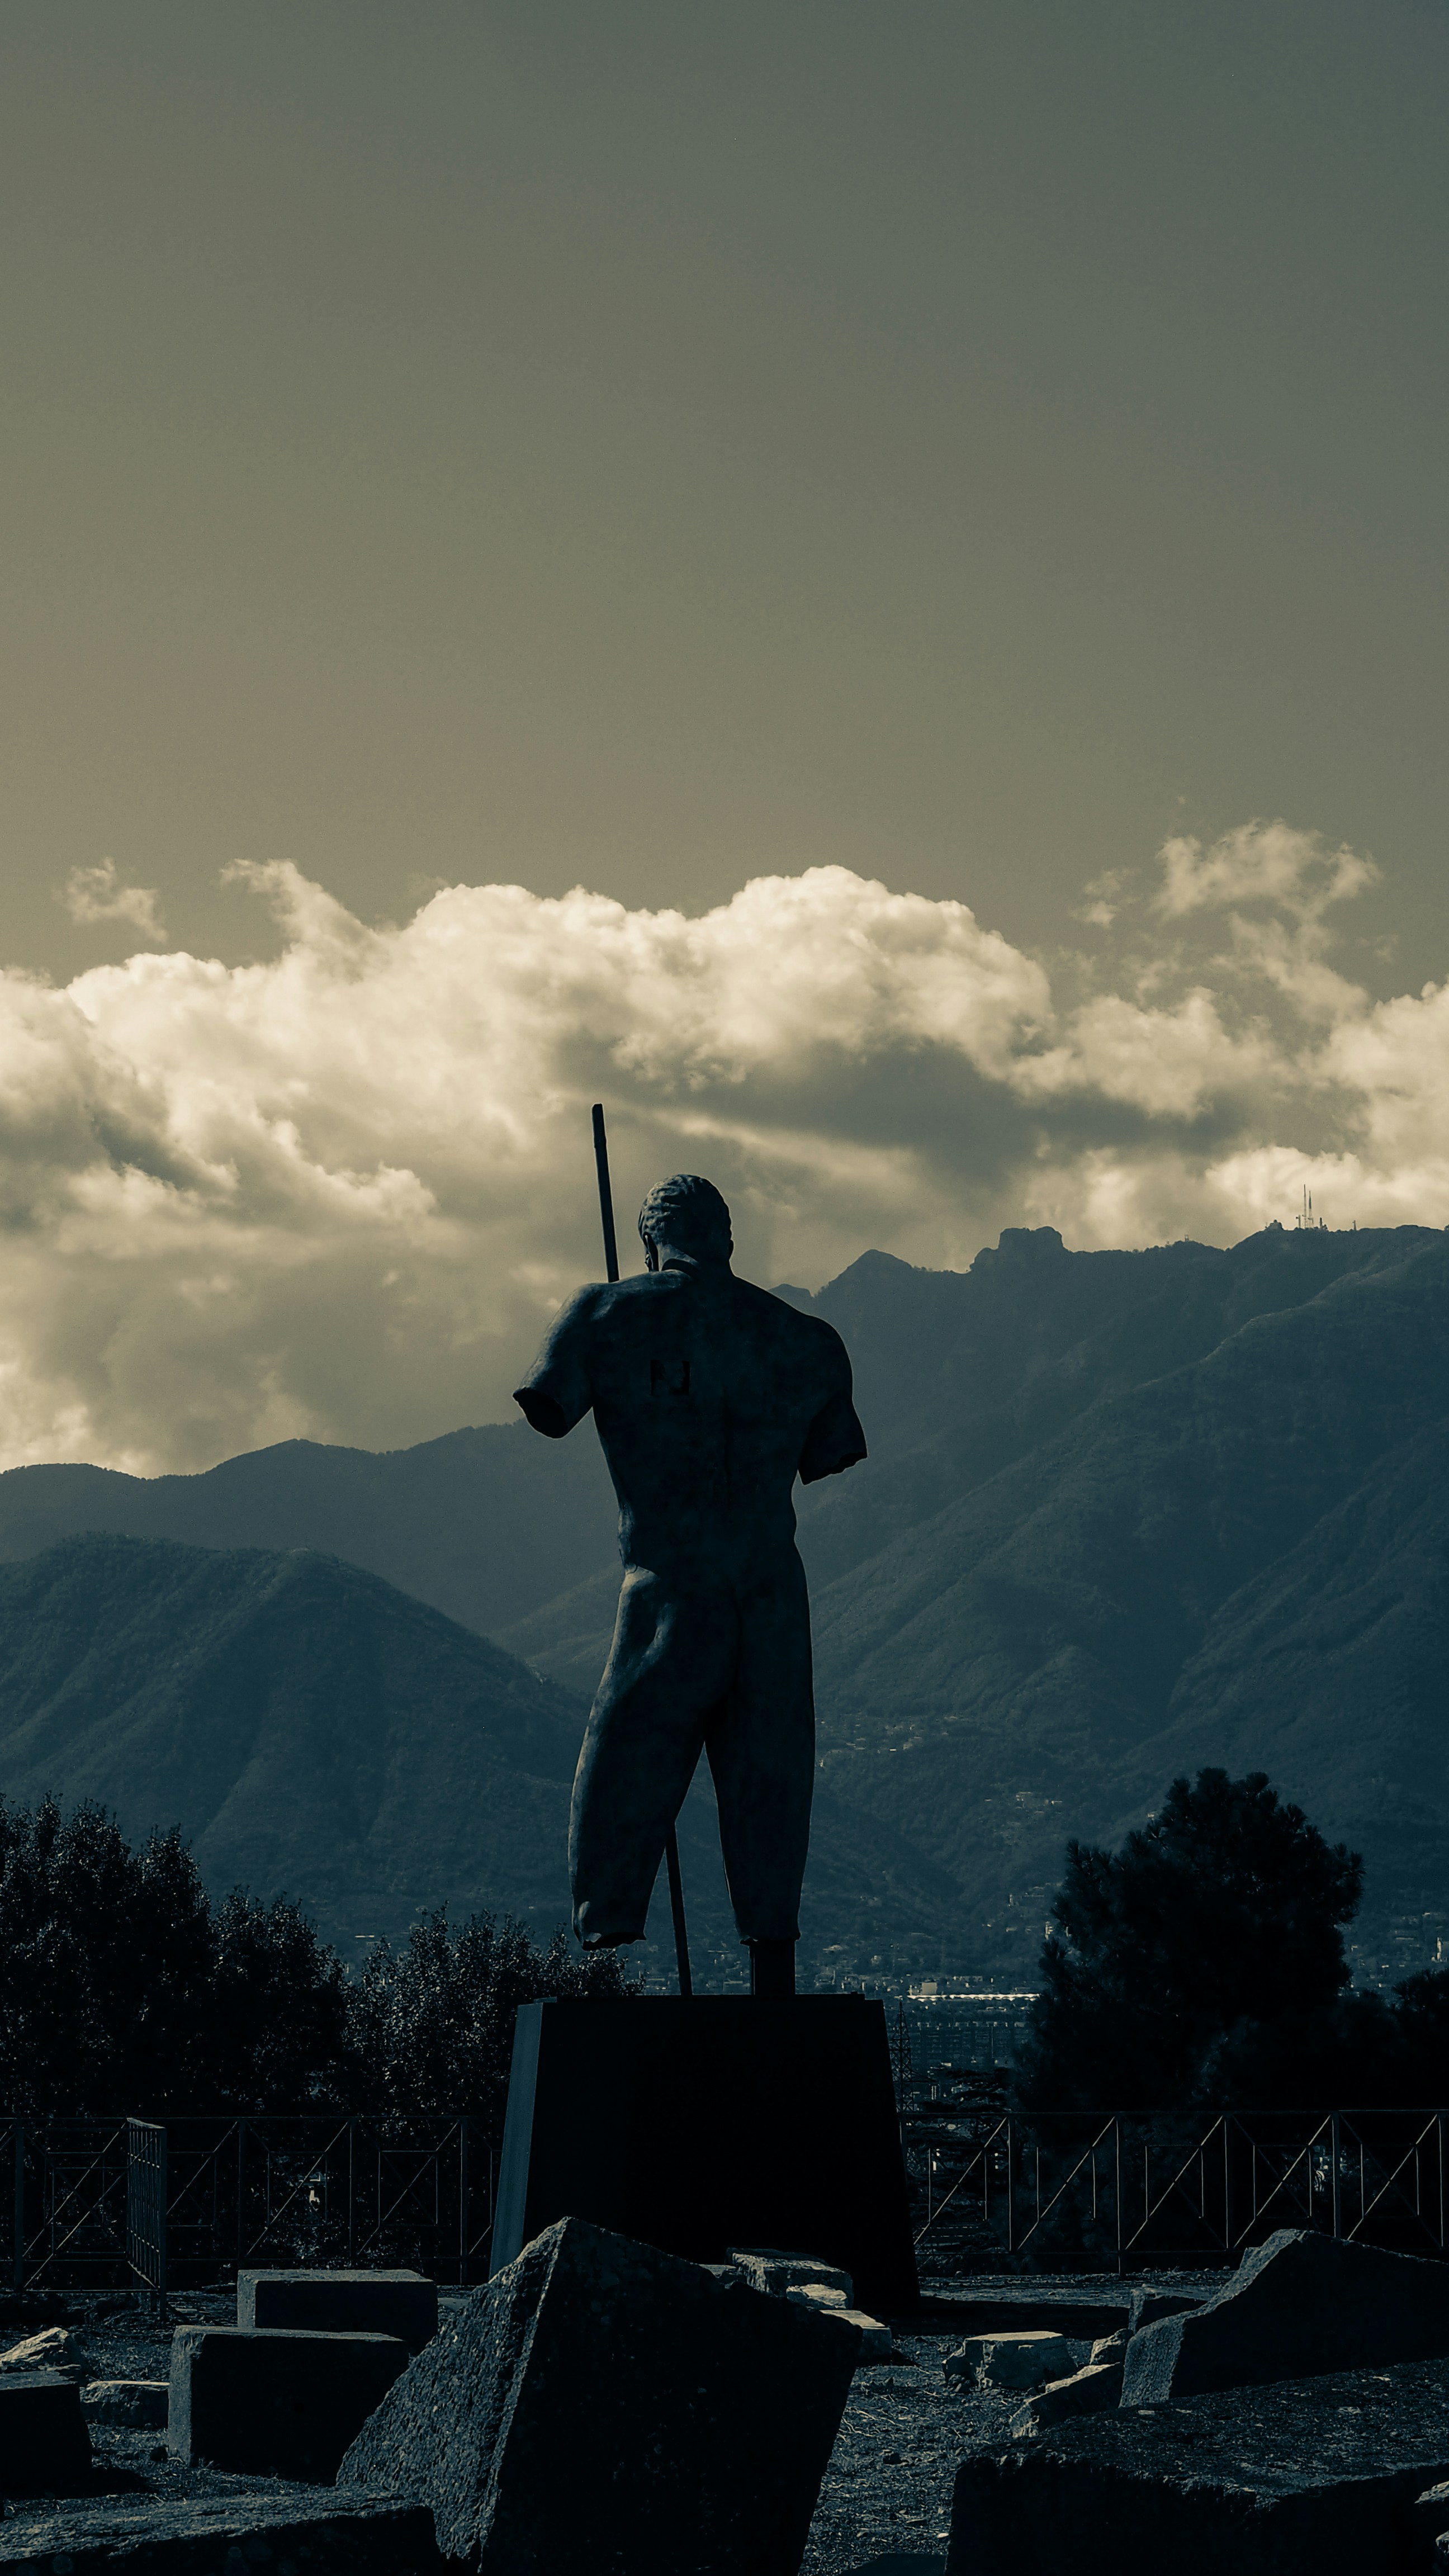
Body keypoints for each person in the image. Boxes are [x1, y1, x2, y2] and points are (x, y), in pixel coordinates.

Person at [513, 1173, 866, 1996]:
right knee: (773, 1772)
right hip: (774, 1590)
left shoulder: (602, 1314)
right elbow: (828, 1455)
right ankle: (771, 1953)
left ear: (649, 1242)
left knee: (628, 1748)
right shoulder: (808, 1342)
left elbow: (549, 1404)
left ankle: (606, 1920)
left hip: (670, 1585)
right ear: (729, 1240)